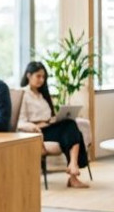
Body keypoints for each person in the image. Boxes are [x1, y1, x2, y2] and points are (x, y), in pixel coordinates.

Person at [18, 60, 90, 189]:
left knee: (70, 127)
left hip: (49, 127)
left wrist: (53, 119)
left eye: (43, 77)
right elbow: (20, 121)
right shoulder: (23, 94)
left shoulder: (42, 95)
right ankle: (73, 171)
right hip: (37, 131)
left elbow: (48, 115)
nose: (41, 80)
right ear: (28, 75)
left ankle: (73, 167)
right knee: (73, 130)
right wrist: (36, 125)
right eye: (38, 76)